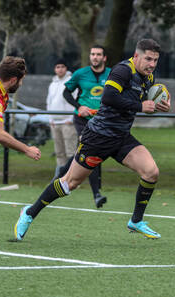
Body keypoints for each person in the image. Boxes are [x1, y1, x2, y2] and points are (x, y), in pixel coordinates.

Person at [14, 38, 171, 241]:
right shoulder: (123, 71)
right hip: (98, 137)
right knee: (69, 183)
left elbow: (139, 101)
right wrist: (142, 107)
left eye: (155, 60)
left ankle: (136, 221)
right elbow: (109, 97)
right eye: (148, 59)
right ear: (136, 56)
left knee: (151, 172)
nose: (152, 64)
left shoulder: (149, 78)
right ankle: (29, 213)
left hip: (121, 137)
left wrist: (158, 106)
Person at [60, 45, 111, 208]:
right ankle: (96, 194)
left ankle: (60, 174)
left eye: (98, 54)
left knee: (82, 153)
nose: (95, 57)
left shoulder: (112, 74)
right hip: (83, 120)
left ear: (104, 58)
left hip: (102, 121)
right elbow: (66, 92)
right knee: (91, 149)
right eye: (92, 54)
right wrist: (78, 106)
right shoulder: (80, 74)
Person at [0, 56, 41, 161]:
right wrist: (27, 149)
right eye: (21, 80)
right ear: (13, 80)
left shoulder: (0, 92)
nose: (21, 84)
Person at [46, 59, 78, 176]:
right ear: (55, 69)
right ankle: (59, 177)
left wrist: (71, 118)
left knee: (70, 152)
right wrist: (50, 119)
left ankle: (72, 177)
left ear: (66, 68)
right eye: (57, 67)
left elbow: (75, 100)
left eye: (62, 66)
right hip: (55, 123)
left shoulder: (71, 81)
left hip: (67, 122)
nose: (60, 69)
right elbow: (48, 102)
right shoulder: (52, 84)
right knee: (59, 152)